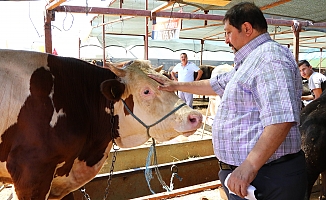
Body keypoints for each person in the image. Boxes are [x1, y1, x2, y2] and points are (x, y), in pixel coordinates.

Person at [149, 2, 306, 200]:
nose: (226, 40)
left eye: (229, 32)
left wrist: (249, 166)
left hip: (266, 177)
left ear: (247, 28)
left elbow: (281, 119)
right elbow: (216, 84)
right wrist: (174, 85)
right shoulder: (251, 61)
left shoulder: (270, 58)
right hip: (252, 178)